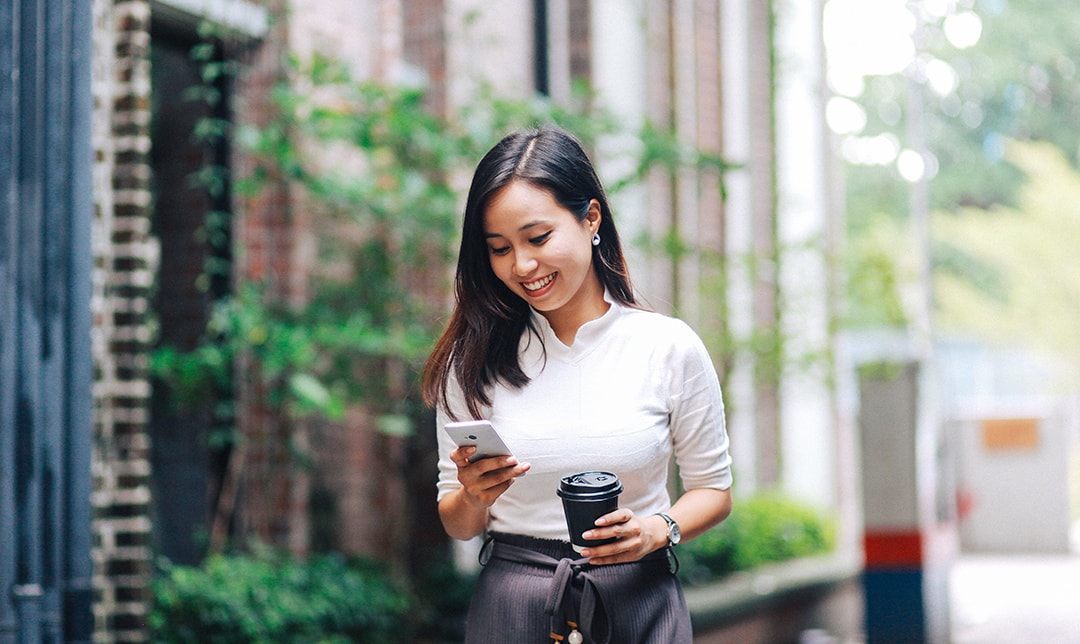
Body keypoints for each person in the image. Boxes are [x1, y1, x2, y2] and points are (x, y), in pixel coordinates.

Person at [422, 126, 733, 643]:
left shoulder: (667, 347)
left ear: (591, 218)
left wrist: (659, 530)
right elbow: (457, 520)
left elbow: (713, 490)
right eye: (499, 249)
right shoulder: (470, 359)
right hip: (514, 607)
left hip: (639, 602)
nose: (522, 265)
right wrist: (474, 496)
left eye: (538, 238)